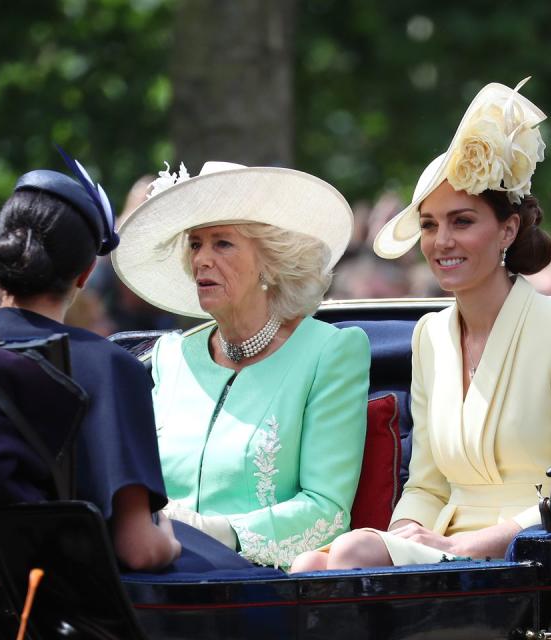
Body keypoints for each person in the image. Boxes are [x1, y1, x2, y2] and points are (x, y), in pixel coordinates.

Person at [290, 79, 551, 571]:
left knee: (351, 552)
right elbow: (425, 483)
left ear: (507, 229)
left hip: (534, 551)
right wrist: (404, 533)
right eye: (428, 224)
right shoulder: (430, 336)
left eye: (462, 221)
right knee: (309, 565)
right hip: (442, 547)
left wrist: (470, 545)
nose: (441, 241)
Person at [112, 160, 370, 568]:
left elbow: (327, 512)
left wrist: (216, 532)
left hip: (254, 585)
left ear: (269, 260)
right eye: (196, 244)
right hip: (154, 572)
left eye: (222, 243)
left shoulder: (330, 352)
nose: (202, 260)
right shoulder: (170, 356)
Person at [0, 163, 182, 572]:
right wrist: (169, 541)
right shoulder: (110, 367)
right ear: (85, 273)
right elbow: (140, 549)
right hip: (63, 614)